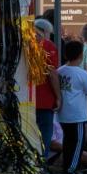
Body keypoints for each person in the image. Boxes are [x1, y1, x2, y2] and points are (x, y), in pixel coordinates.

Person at [54, 38, 87, 174]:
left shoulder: (59, 71)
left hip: (63, 113)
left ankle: (66, 168)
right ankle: (71, 171)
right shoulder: (82, 73)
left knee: (67, 142)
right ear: (80, 55)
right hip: (77, 114)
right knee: (78, 143)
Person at [32, 18, 59, 157]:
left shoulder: (24, 43)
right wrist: (59, 97)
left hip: (24, 98)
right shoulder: (47, 45)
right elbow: (52, 73)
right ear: (45, 31)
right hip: (44, 100)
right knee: (44, 136)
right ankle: (41, 169)